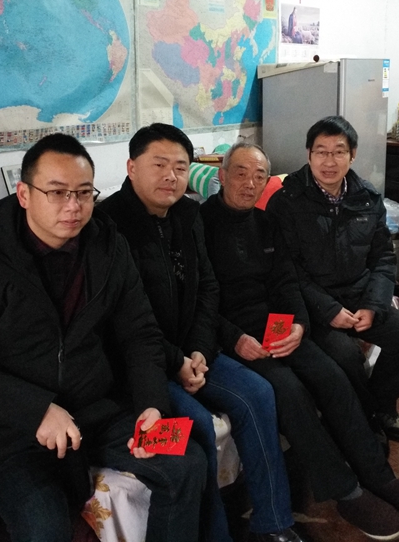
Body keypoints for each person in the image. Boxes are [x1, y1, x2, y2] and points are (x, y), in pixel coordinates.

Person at [0, 134, 207, 542]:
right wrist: (37, 410)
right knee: (46, 528)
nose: (73, 206)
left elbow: (139, 333)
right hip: (16, 430)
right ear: (24, 194)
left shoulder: (108, 246)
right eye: (57, 192)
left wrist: (151, 403)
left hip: (98, 408)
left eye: (83, 193)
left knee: (186, 464)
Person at [201, 141, 399, 541]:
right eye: (240, 173)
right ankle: (346, 492)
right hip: (233, 334)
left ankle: (380, 478)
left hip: (276, 324)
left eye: (260, 175)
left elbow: (286, 281)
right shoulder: (199, 224)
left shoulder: (266, 222)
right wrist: (234, 337)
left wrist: (297, 324)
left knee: (332, 376)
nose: (250, 183)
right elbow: (200, 297)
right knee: (289, 391)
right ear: (222, 175)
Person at [100, 123, 302, 542]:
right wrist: (177, 360)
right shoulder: (108, 226)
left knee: (258, 393)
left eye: (180, 167)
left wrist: (198, 350)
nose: (171, 176)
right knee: (197, 425)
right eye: (159, 165)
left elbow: (208, 288)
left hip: (193, 350)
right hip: (142, 364)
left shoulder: (189, 215)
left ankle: (273, 522)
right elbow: (124, 321)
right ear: (132, 167)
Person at [266, 116, 399, 443]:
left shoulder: (367, 198)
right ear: (308, 155)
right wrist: (328, 310)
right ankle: (363, 419)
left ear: (352, 155)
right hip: (313, 304)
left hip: (358, 295)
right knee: (346, 356)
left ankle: (382, 407)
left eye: (339, 152)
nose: (329, 161)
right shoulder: (287, 201)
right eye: (321, 152)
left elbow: (383, 258)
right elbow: (287, 269)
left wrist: (373, 305)